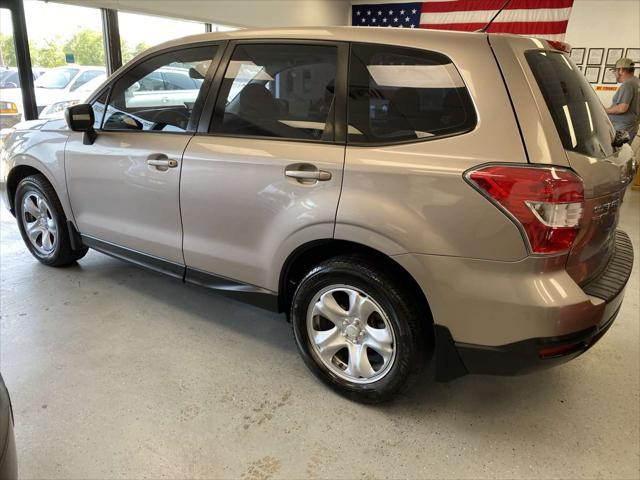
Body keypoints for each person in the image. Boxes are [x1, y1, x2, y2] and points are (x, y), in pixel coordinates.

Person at [605, 58, 640, 142]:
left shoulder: (628, 84)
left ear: (621, 70)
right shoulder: (637, 82)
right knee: (624, 152)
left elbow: (622, 108)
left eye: (615, 71)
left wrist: (603, 110)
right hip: (630, 126)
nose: (614, 74)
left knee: (617, 153)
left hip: (622, 128)